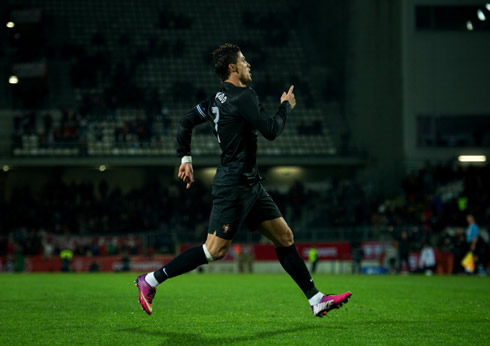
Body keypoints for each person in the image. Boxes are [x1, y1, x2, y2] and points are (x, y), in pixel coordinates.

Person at [135, 43, 351, 317]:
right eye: (244, 60)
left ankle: (316, 299)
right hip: (234, 186)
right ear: (232, 68)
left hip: (251, 185)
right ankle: (151, 280)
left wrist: (185, 158)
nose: (249, 64)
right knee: (214, 251)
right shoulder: (243, 96)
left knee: (284, 237)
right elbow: (271, 130)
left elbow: (185, 122)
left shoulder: (215, 100)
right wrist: (285, 107)